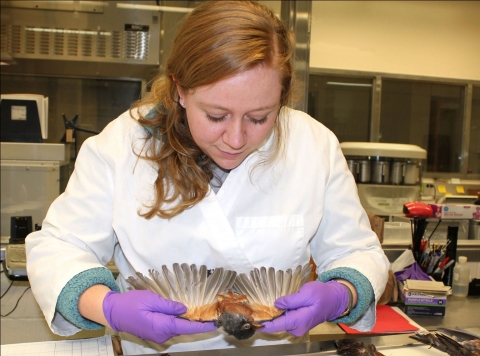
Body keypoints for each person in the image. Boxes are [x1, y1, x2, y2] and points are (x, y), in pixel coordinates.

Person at [26, 1, 389, 354]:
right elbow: (60, 248)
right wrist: (107, 307)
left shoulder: (313, 146)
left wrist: (344, 292)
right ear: (180, 89)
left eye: (260, 117)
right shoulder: (122, 146)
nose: (235, 139)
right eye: (216, 116)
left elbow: (356, 251)